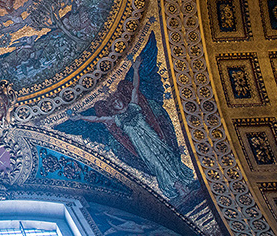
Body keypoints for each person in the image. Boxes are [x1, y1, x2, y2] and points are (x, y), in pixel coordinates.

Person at [66, 55, 193, 198]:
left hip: (152, 137)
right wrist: (81, 117)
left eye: (118, 101)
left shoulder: (133, 106)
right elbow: (98, 118)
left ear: (122, 100)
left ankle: (183, 180)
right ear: (113, 107)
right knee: (156, 163)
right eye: (114, 104)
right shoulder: (117, 118)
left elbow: (135, 88)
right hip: (141, 146)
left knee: (167, 155)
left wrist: (136, 69)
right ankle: (177, 186)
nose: (117, 104)